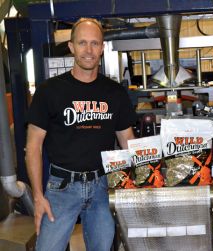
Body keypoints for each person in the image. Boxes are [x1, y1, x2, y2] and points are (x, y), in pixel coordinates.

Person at [25, 18, 136, 251]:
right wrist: (37, 196)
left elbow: (128, 141)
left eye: (95, 43)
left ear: (102, 48)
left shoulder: (115, 92)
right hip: (62, 188)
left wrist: (138, 182)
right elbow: (33, 146)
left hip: (102, 186)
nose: (89, 50)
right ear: (71, 47)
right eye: (82, 43)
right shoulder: (49, 91)